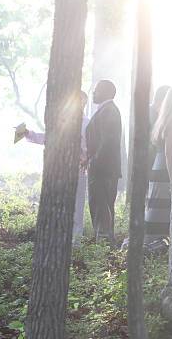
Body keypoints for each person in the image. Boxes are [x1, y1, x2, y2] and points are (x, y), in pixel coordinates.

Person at [22, 91, 90, 244]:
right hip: (61, 170)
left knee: (77, 208)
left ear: (83, 103)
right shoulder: (64, 123)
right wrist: (28, 133)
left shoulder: (87, 124)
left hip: (79, 170)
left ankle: (76, 243)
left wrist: (85, 158)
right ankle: (60, 240)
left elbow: (90, 147)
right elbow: (49, 138)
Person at [83, 80, 122, 244]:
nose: (93, 93)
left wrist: (94, 161)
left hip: (102, 170)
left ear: (106, 92)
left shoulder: (109, 111)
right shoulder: (106, 111)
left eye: (96, 90)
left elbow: (108, 142)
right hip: (104, 169)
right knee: (103, 209)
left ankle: (104, 246)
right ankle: (105, 245)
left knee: (101, 209)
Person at [144, 87, 172, 244]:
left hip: (158, 167)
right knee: (161, 205)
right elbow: (169, 153)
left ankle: (155, 240)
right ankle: (154, 241)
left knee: (158, 204)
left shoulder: (163, 122)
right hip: (165, 170)